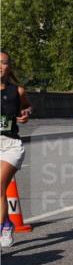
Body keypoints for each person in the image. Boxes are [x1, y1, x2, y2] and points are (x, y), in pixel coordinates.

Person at [0, 51, 33, 248]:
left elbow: (28, 107)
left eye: (3, 63)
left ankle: (3, 227)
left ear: (9, 67)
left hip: (10, 145)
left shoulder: (17, 91)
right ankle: (6, 222)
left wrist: (25, 114)